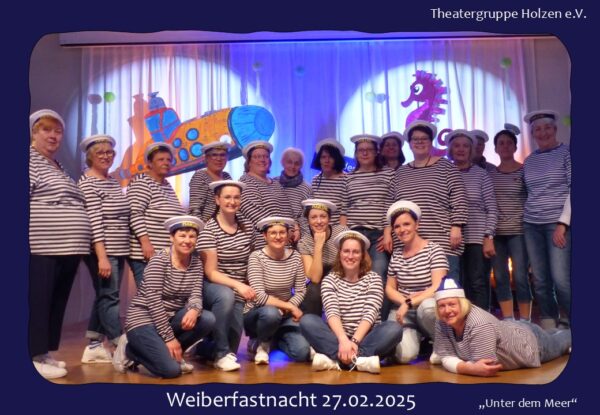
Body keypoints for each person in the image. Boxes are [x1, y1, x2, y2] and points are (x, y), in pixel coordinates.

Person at [29, 109, 91, 379]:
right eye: (46, 130)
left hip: (68, 248)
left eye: (58, 131)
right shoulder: (29, 161)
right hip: (42, 246)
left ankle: (43, 352)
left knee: (56, 302)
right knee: (38, 302)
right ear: (34, 133)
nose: (53, 136)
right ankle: (31, 355)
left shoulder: (57, 165)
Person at [112, 216, 215, 378]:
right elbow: (154, 303)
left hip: (170, 318)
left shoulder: (196, 262)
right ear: (172, 238)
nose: (187, 241)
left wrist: (194, 310)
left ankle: (173, 355)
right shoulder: (159, 261)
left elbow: (196, 294)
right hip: (144, 319)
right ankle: (130, 349)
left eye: (192, 236)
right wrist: (169, 339)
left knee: (207, 319)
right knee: (171, 371)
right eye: (182, 235)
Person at [300, 231, 403, 374]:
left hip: (365, 338)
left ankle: (338, 361)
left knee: (394, 328)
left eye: (356, 252)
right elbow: (332, 312)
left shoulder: (374, 279)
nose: (350, 256)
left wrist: (354, 342)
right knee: (307, 321)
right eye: (346, 251)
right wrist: (343, 341)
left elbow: (370, 314)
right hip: (337, 338)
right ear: (340, 253)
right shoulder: (330, 280)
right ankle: (359, 361)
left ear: (362, 255)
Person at [433, 276, 571, 377]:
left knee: (565, 339)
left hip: (530, 343)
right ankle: (556, 330)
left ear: (462, 304)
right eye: (442, 306)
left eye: (452, 304)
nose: (447, 310)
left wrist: (460, 365)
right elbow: (446, 356)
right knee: (554, 333)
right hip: (512, 329)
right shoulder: (442, 322)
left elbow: (485, 367)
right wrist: (466, 367)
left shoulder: (479, 323)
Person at [391, 120, 467, 283]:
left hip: (442, 241)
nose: (419, 142)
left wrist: (457, 226)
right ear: (409, 144)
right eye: (415, 139)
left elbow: (459, 197)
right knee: (415, 290)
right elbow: (393, 205)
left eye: (424, 138)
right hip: (409, 243)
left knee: (446, 291)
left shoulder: (446, 167)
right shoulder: (401, 172)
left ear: (431, 142)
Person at [78, 134, 130, 364]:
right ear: (90, 156)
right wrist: (102, 257)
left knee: (105, 296)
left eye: (109, 152)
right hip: (103, 250)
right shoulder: (87, 183)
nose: (106, 156)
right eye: (100, 152)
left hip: (118, 248)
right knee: (110, 297)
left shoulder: (111, 181)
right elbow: (94, 222)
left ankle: (94, 347)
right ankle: (121, 345)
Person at [196, 180, 255, 371]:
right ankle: (220, 355)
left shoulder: (247, 226)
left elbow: (253, 260)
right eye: (227, 197)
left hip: (239, 289)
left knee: (233, 349)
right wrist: (238, 285)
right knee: (226, 294)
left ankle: (203, 348)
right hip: (214, 287)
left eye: (236, 197)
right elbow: (211, 272)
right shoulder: (209, 229)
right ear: (217, 199)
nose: (232, 201)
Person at [522, 110, 571, 330]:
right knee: (540, 280)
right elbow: (528, 192)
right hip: (531, 224)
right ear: (533, 134)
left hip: (557, 224)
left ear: (555, 129)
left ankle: (570, 321)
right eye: (538, 129)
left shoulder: (567, 153)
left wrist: (563, 223)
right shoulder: (529, 160)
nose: (543, 133)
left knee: (561, 279)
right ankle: (549, 323)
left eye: (547, 128)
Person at [385, 200, 448, 364]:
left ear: (417, 225)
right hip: (406, 312)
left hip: (426, 308)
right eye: (397, 226)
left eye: (406, 224)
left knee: (427, 307)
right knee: (404, 356)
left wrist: (410, 302)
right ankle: (422, 343)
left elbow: (438, 286)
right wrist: (404, 302)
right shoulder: (396, 255)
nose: (402, 229)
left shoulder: (434, 250)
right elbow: (390, 288)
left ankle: (443, 345)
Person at [243, 216, 310, 365]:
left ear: (288, 235)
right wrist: (289, 307)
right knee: (271, 313)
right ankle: (263, 344)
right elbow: (259, 296)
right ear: (264, 236)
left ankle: (273, 340)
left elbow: (300, 290)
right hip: (259, 313)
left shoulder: (295, 257)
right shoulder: (256, 257)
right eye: (273, 233)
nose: (278, 237)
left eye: (282, 232)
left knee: (302, 352)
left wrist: (285, 309)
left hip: (284, 314)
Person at [447, 129, 498, 311]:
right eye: (456, 146)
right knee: (454, 284)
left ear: (471, 150)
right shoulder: (444, 172)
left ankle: (481, 322)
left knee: (478, 283)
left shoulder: (481, 174)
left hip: (476, 238)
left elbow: (492, 208)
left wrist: (488, 236)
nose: (461, 149)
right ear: (450, 150)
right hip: (450, 239)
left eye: (465, 146)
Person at [347, 133, 395, 319]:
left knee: (378, 274)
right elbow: (344, 208)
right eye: (361, 150)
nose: (364, 153)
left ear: (376, 152)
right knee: (353, 277)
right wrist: (345, 237)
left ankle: (379, 321)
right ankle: (356, 321)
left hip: (378, 235)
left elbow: (391, 205)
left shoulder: (388, 173)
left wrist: (388, 232)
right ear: (356, 154)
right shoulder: (349, 178)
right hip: (355, 235)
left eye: (369, 150)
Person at [490, 124, 532, 321]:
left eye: (509, 143)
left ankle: (525, 321)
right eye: (501, 143)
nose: (505, 146)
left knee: (521, 277)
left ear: (515, 147)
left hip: (520, 232)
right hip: (497, 234)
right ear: (495, 148)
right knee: (500, 277)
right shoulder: (490, 174)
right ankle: (508, 320)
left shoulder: (525, 171)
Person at [127, 142, 185, 287]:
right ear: (150, 163)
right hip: (146, 254)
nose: (166, 163)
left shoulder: (166, 185)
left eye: (168, 160)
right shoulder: (142, 182)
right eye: (160, 159)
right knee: (150, 295)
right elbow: (134, 213)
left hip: (164, 254)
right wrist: (145, 242)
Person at [297, 198, 349, 315]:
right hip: (319, 274)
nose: (319, 221)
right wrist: (318, 245)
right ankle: (313, 323)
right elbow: (315, 278)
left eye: (323, 216)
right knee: (313, 290)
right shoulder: (304, 242)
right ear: (308, 220)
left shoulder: (342, 232)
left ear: (329, 219)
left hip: (341, 272)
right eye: (313, 217)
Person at [239, 141, 290, 249]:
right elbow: (255, 215)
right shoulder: (245, 182)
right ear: (249, 162)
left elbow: (287, 209)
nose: (262, 160)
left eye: (266, 156)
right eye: (257, 157)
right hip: (264, 243)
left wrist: (294, 228)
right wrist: (283, 230)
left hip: (285, 239)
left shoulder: (276, 183)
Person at [188, 141, 232, 223]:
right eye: (214, 155)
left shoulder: (227, 177)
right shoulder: (200, 176)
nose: (219, 159)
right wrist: (202, 229)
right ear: (207, 158)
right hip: (208, 227)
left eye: (222, 155)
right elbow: (195, 210)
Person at [275, 147, 311, 243]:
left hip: (300, 235)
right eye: (289, 162)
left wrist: (298, 231)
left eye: (297, 163)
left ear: (301, 166)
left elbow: (306, 216)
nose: (293, 166)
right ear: (283, 163)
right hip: (276, 230)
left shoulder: (306, 188)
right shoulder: (273, 183)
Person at [309, 138, 348, 226]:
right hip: (318, 226)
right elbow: (312, 208)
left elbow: (345, 212)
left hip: (338, 228)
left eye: (330, 157)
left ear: (337, 159)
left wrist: (341, 231)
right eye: (323, 157)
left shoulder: (346, 179)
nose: (326, 161)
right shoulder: (315, 180)